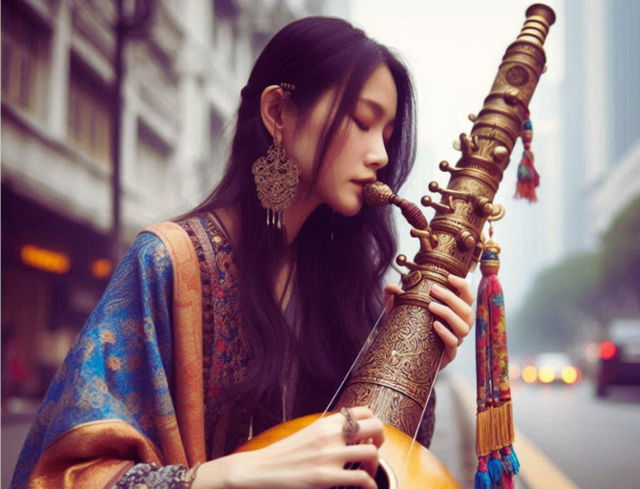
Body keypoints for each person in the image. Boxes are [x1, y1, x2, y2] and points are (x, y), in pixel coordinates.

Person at [12, 16, 474, 489]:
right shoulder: (168, 261)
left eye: (388, 133)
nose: (379, 153)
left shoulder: (345, 286)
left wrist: (412, 360)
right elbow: (62, 477)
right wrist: (225, 476)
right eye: (361, 121)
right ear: (278, 112)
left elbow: (379, 467)